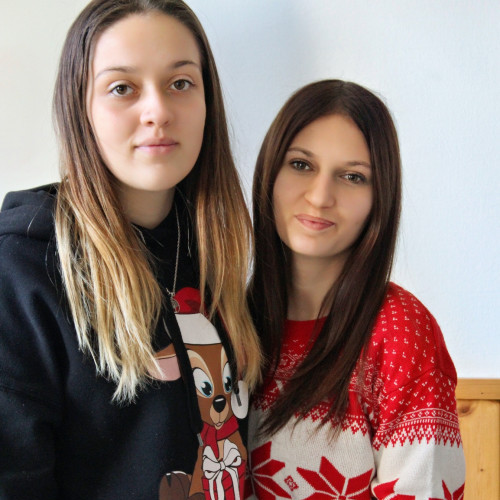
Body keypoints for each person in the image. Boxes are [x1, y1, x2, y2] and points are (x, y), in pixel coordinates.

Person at [0, 1, 261, 498]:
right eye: (122, 88)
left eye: (180, 83)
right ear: (80, 108)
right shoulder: (23, 269)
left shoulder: (214, 249)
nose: (158, 111)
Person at [246, 80, 465, 499]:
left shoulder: (400, 331)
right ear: (269, 173)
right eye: (301, 164)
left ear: (379, 197)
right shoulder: (232, 321)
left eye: (352, 176)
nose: (320, 196)